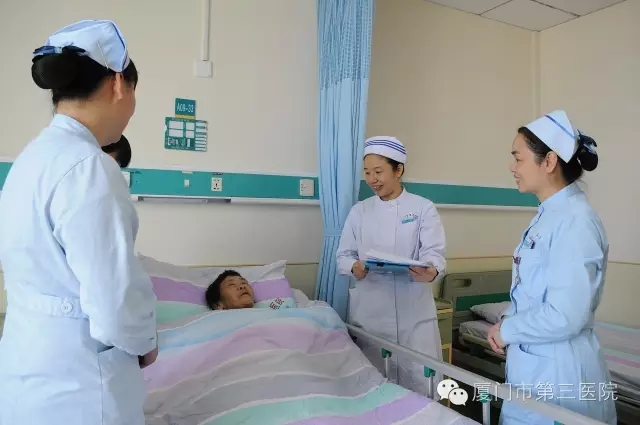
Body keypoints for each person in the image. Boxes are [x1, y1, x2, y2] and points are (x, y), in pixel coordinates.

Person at [0, 20, 158, 425]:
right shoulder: (90, 168)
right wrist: (146, 341)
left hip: (26, 368)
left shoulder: (30, 160)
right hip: (81, 389)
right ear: (119, 84)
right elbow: (115, 302)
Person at [487, 110, 616, 425]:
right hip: (536, 369)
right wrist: (507, 319)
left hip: (560, 374)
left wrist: (507, 331)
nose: (512, 167)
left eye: (518, 158)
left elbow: (565, 315)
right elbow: (533, 292)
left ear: (549, 161)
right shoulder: (550, 216)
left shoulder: (575, 222)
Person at [336, 136, 447, 395]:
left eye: (378, 172)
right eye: (367, 173)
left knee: (422, 384)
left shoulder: (422, 208)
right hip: (372, 314)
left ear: (398, 170)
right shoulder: (359, 211)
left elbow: (435, 254)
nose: (372, 179)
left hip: (413, 315)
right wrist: (354, 267)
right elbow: (343, 256)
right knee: (375, 386)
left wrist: (430, 270)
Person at [204, 270, 297, 311]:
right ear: (218, 304)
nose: (242, 287)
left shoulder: (271, 312)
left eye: (244, 283)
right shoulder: (214, 323)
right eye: (231, 285)